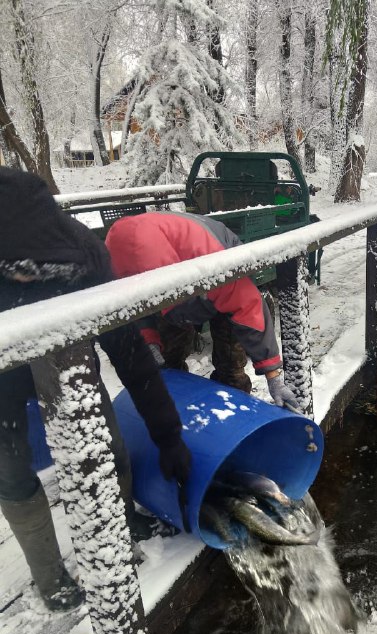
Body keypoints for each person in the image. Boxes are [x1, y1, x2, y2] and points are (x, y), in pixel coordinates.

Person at [0, 168, 192, 611]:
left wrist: (169, 436)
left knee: (107, 442)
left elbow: (130, 353)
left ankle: (120, 519)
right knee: (10, 470)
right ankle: (49, 575)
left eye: (42, 273)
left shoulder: (84, 256)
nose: (31, 280)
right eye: (20, 273)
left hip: (70, 365)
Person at [104, 211, 300, 410]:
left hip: (215, 275)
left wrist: (273, 376)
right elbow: (133, 306)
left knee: (230, 365)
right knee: (167, 362)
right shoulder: (116, 267)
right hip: (174, 286)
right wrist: (150, 341)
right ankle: (179, 411)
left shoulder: (219, 265)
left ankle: (232, 412)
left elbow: (249, 307)